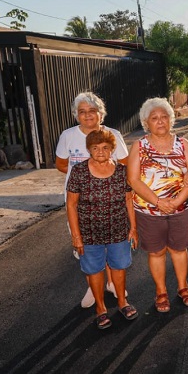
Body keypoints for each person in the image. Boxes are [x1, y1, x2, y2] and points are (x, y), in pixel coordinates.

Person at [55, 92, 129, 309]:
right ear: (76, 115)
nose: (87, 115)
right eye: (82, 112)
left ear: (100, 113)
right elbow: (61, 164)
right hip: (81, 203)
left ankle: (113, 284)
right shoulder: (68, 135)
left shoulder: (113, 134)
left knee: (113, 246)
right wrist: (84, 180)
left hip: (111, 204)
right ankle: (93, 287)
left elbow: (124, 165)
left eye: (92, 111)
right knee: (87, 249)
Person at [127, 98, 188, 313]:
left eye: (164, 117)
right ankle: (161, 292)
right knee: (157, 252)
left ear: (171, 119)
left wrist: (176, 202)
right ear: (146, 122)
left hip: (181, 208)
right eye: (154, 118)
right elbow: (133, 180)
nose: (160, 121)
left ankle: (183, 288)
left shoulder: (183, 144)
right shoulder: (139, 146)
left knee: (179, 249)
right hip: (149, 210)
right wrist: (159, 202)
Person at [65, 129, 138, 330]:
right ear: (89, 149)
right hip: (89, 233)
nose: (100, 152)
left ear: (112, 149)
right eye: (95, 148)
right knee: (94, 269)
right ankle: (101, 309)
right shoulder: (79, 171)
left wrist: (133, 228)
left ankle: (122, 302)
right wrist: (76, 236)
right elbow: (71, 204)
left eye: (105, 148)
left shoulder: (122, 171)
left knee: (120, 266)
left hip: (118, 230)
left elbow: (129, 200)